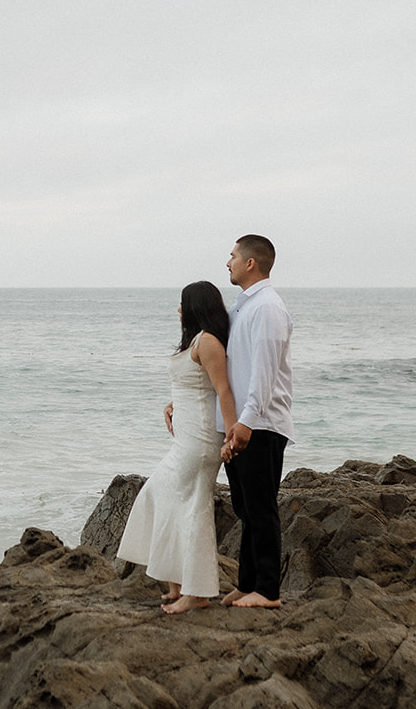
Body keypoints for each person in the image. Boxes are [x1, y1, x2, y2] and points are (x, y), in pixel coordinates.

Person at [116, 281, 240, 614]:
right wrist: (174, 403)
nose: (178, 309)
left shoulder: (208, 341)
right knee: (161, 496)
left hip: (200, 441)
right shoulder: (195, 342)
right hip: (185, 436)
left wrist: (232, 435)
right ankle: (176, 583)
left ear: (195, 306)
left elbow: (223, 391)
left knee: (191, 507)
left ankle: (197, 592)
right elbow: (194, 385)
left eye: (182, 303)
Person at [218, 234, 293, 610]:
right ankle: (247, 583)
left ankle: (268, 591)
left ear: (251, 263)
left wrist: (246, 422)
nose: (226, 262)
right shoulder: (242, 307)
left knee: (261, 509)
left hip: (261, 426)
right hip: (242, 424)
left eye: (232, 256)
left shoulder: (267, 308)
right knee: (244, 510)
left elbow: (263, 373)